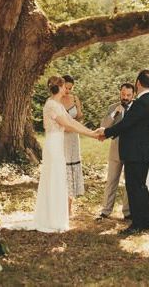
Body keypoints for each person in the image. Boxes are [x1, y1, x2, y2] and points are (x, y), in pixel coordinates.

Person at [33, 76, 98, 233]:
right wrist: (92, 135)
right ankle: (52, 218)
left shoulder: (57, 104)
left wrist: (92, 132)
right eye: (64, 86)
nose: (66, 89)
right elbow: (68, 124)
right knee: (54, 177)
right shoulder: (52, 105)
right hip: (53, 144)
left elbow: (72, 121)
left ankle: (56, 216)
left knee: (58, 176)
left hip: (57, 143)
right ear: (60, 87)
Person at [98, 69, 149, 235]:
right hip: (143, 150)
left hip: (135, 152)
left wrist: (106, 133)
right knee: (141, 186)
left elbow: (126, 124)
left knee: (134, 187)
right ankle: (147, 221)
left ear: (138, 83)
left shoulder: (141, 102)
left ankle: (137, 224)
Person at [96, 82, 134, 220]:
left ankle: (128, 211)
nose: (125, 97)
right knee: (111, 180)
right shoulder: (113, 107)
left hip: (131, 149)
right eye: (123, 94)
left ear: (133, 95)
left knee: (129, 181)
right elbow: (103, 127)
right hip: (115, 149)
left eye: (128, 95)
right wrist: (114, 113)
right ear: (120, 93)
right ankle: (106, 210)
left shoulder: (137, 108)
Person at [60, 74, 85, 215]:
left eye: (70, 88)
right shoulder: (57, 100)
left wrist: (76, 118)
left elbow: (80, 115)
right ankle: (60, 204)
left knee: (72, 168)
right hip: (62, 136)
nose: (68, 90)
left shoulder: (75, 99)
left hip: (74, 137)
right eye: (66, 87)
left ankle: (69, 207)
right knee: (63, 169)